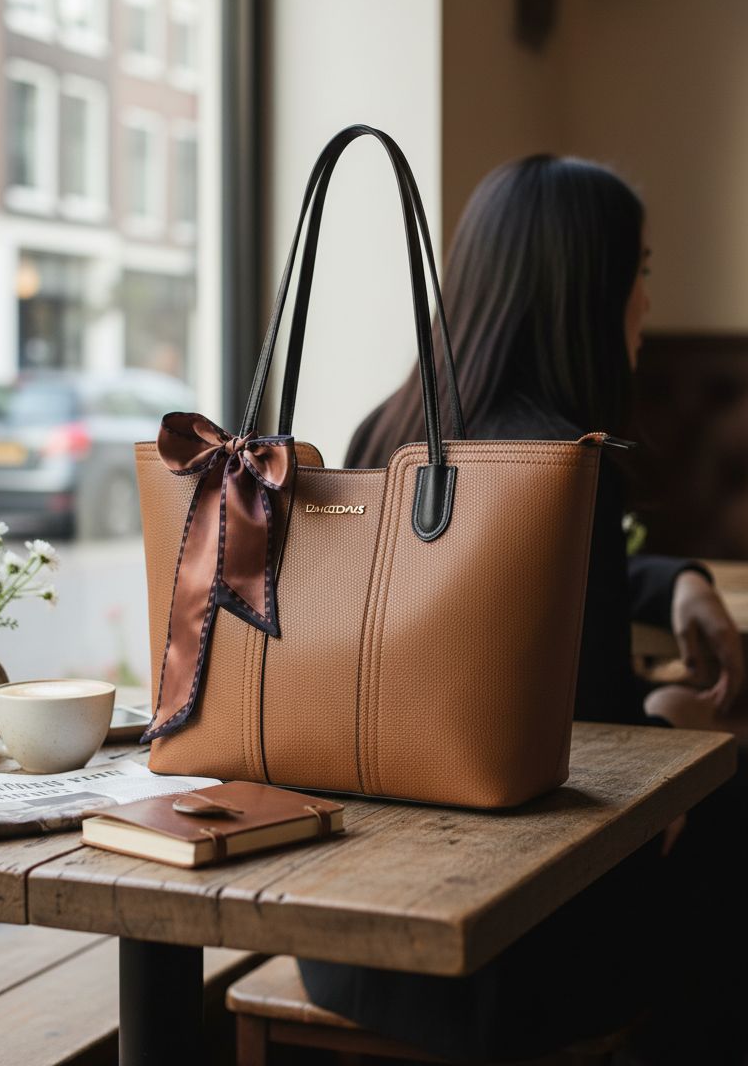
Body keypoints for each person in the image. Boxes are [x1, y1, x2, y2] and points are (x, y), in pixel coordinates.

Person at [298, 155, 747, 1065]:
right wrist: (675, 723)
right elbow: (606, 789)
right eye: (643, 273)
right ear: (589, 289)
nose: (649, 304)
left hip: (350, 951)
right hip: (519, 965)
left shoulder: (384, 438)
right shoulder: (559, 471)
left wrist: (675, 580)